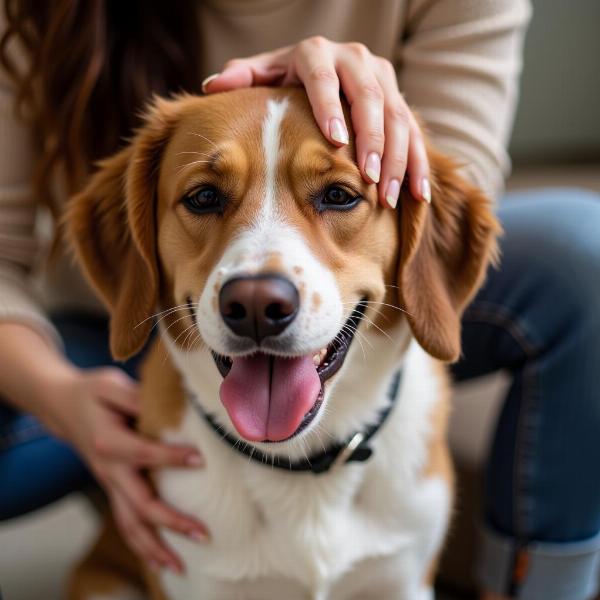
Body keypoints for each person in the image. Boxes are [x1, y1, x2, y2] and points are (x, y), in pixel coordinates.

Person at [1, 1, 599, 598]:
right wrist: (59, 397)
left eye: (337, 196)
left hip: (350, 368)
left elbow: (446, 184)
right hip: (113, 344)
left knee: (584, 251)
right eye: (206, 198)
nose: (260, 286)